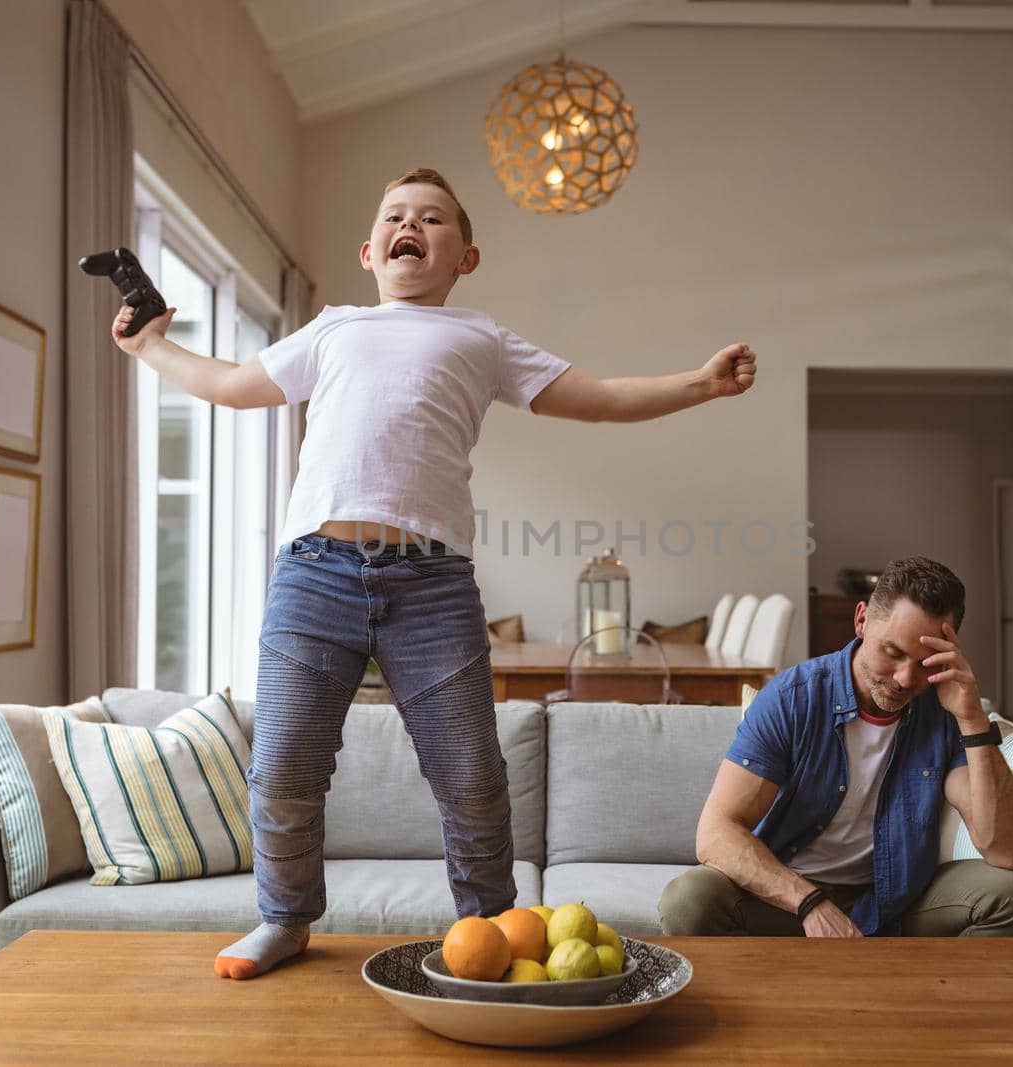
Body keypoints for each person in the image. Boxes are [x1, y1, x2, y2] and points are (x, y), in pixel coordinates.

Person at [109, 168, 759, 979]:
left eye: (433, 219)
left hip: (432, 586)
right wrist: (152, 344)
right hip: (315, 575)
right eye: (395, 216)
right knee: (283, 765)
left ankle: (489, 928)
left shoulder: (480, 338)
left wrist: (700, 383)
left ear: (466, 258)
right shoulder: (334, 327)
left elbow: (592, 397)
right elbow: (234, 386)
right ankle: (284, 917)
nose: (410, 224)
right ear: (370, 249)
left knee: (471, 774)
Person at [658, 556, 1013, 939]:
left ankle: (932, 999)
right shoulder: (792, 698)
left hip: (895, 899)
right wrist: (809, 903)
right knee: (689, 901)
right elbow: (715, 832)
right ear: (861, 619)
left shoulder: (944, 711)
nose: (904, 678)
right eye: (893, 653)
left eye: (925, 662)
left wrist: (973, 721)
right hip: (786, 899)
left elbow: (1007, 851)